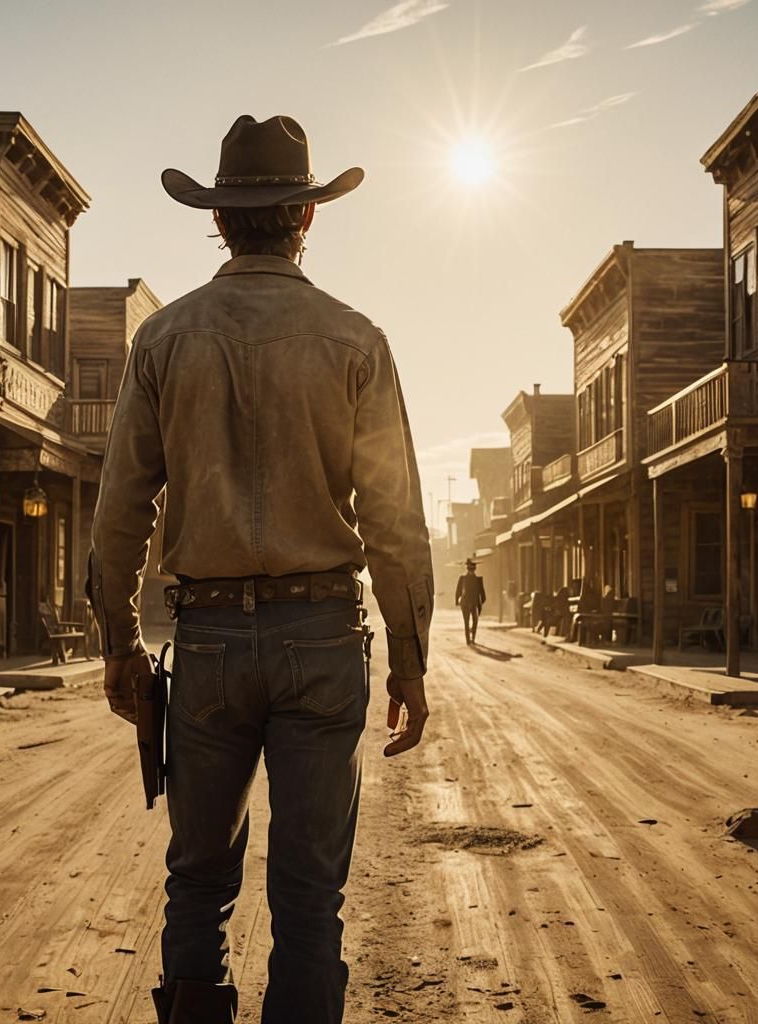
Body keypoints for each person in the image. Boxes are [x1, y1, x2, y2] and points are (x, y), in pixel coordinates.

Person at [89, 115, 433, 1024]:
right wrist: (410, 659)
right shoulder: (356, 340)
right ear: (307, 218)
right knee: (310, 900)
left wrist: (119, 643)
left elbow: (122, 507)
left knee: (198, 882)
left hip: (204, 645)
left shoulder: (163, 339)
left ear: (220, 219)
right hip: (321, 636)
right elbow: (395, 519)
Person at [454, 559, 486, 644]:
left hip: (474, 603)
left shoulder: (478, 580)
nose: (471, 571)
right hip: (465, 603)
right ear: (468, 569)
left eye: (472, 569)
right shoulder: (463, 578)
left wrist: (481, 602)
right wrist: (457, 600)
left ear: (474, 569)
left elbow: (482, 592)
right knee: (466, 621)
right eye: (470, 569)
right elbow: (458, 590)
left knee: (475, 620)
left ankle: (473, 637)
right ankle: (468, 639)